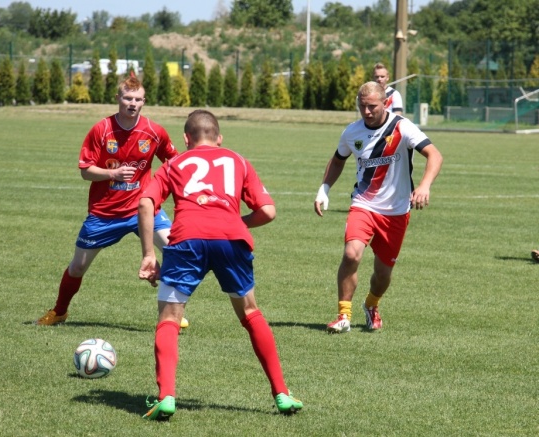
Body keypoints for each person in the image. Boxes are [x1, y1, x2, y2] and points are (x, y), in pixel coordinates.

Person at [137, 109, 303, 420]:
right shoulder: (238, 160)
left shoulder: (174, 163)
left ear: (186, 139)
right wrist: (231, 223)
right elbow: (267, 211)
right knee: (251, 313)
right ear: (219, 137)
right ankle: (281, 393)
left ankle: (166, 397)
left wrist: (149, 253)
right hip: (232, 239)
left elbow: (146, 203)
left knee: (170, 318)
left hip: (187, 239)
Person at [34, 76, 189, 329]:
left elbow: (174, 162)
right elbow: (85, 171)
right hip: (104, 213)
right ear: (117, 99)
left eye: (138, 99)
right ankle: (59, 312)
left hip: (144, 210)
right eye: (128, 98)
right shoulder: (101, 130)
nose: (133, 103)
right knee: (77, 267)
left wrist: (165, 187)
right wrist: (112, 174)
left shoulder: (154, 131)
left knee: (178, 252)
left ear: (144, 102)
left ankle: (173, 313)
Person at [314, 81, 443, 333]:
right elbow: (338, 160)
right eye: (362, 106)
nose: (366, 112)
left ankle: (372, 305)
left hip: (396, 212)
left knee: (383, 274)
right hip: (363, 203)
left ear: (385, 103)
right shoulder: (352, 132)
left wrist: (425, 186)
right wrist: (324, 188)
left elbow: (435, 155)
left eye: (371, 106)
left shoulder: (402, 127)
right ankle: (343, 315)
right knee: (351, 254)